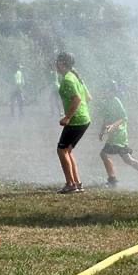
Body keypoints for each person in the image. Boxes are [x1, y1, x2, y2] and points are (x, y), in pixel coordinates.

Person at [98, 80, 138, 188]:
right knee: (128, 159)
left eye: (106, 89)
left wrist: (112, 126)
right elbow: (106, 118)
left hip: (119, 135)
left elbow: (123, 117)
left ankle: (112, 180)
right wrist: (102, 131)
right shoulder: (107, 102)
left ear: (111, 91)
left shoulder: (115, 101)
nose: (104, 91)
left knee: (104, 154)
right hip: (114, 135)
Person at [55, 52, 91, 194]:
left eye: (57, 61)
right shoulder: (75, 77)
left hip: (76, 120)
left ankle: (71, 184)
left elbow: (77, 99)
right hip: (84, 119)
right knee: (67, 150)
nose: (56, 64)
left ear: (61, 63)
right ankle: (77, 183)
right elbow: (88, 97)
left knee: (61, 150)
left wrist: (67, 117)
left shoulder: (68, 79)